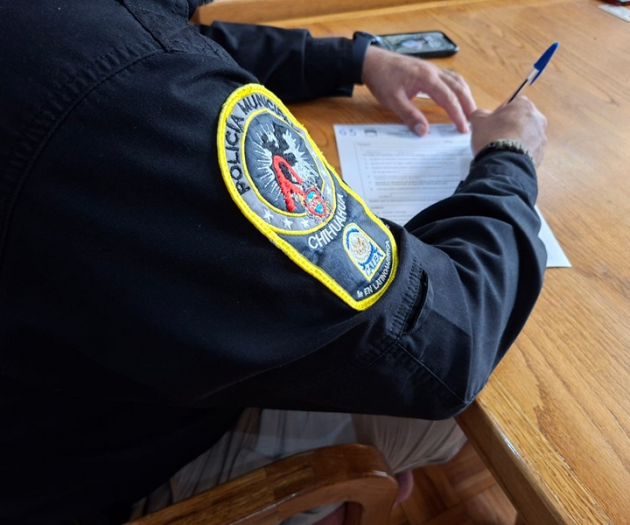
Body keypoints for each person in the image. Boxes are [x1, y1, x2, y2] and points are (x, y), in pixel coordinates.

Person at [0, 1, 547, 524]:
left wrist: (356, 61)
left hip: (57, 408)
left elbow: (163, 36)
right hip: (101, 478)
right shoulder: (133, 98)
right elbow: (447, 341)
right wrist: (509, 160)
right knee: (485, 400)